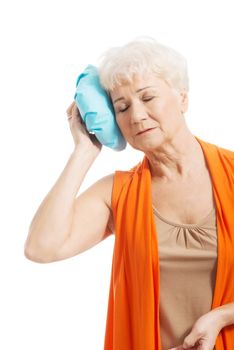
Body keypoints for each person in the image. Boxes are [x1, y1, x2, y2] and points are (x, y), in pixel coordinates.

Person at [24, 37, 234, 350]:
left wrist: (221, 317)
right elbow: (41, 248)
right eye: (122, 107)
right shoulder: (118, 193)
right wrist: (84, 151)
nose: (135, 116)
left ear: (183, 99)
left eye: (147, 98)